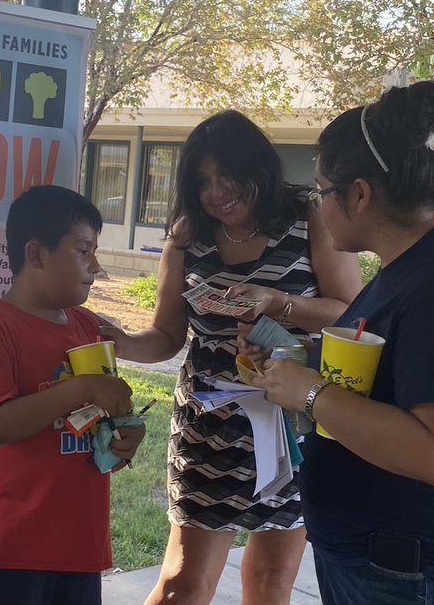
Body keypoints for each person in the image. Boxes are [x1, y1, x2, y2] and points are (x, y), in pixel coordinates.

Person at [257, 80, 434, 605]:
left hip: (404, 571)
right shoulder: (417, 267)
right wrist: (299, 360)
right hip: (383, 557)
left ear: (358, 194)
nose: (318, 207)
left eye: (320, 192)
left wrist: (310, 394)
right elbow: (398, 376)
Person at [101, 110, 361, 605]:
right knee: (182, 584)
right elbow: (166, 334)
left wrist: (278, 304)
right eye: (202, 181)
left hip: (292, 425)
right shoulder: (187, 235)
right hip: (210, 427)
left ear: (259, 166)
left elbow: (351, 314)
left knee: (269, 583)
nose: (215, 192)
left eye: (227, 175)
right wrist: (121, 341)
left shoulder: (311, 217)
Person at [0, 185, 146, 605]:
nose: (96, 266)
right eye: (82, 250)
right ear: (36, 254)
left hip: (78, 548)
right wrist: (79, 387)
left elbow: (104, 417)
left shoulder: (87, 327)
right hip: (7, 554)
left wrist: (127, 436)